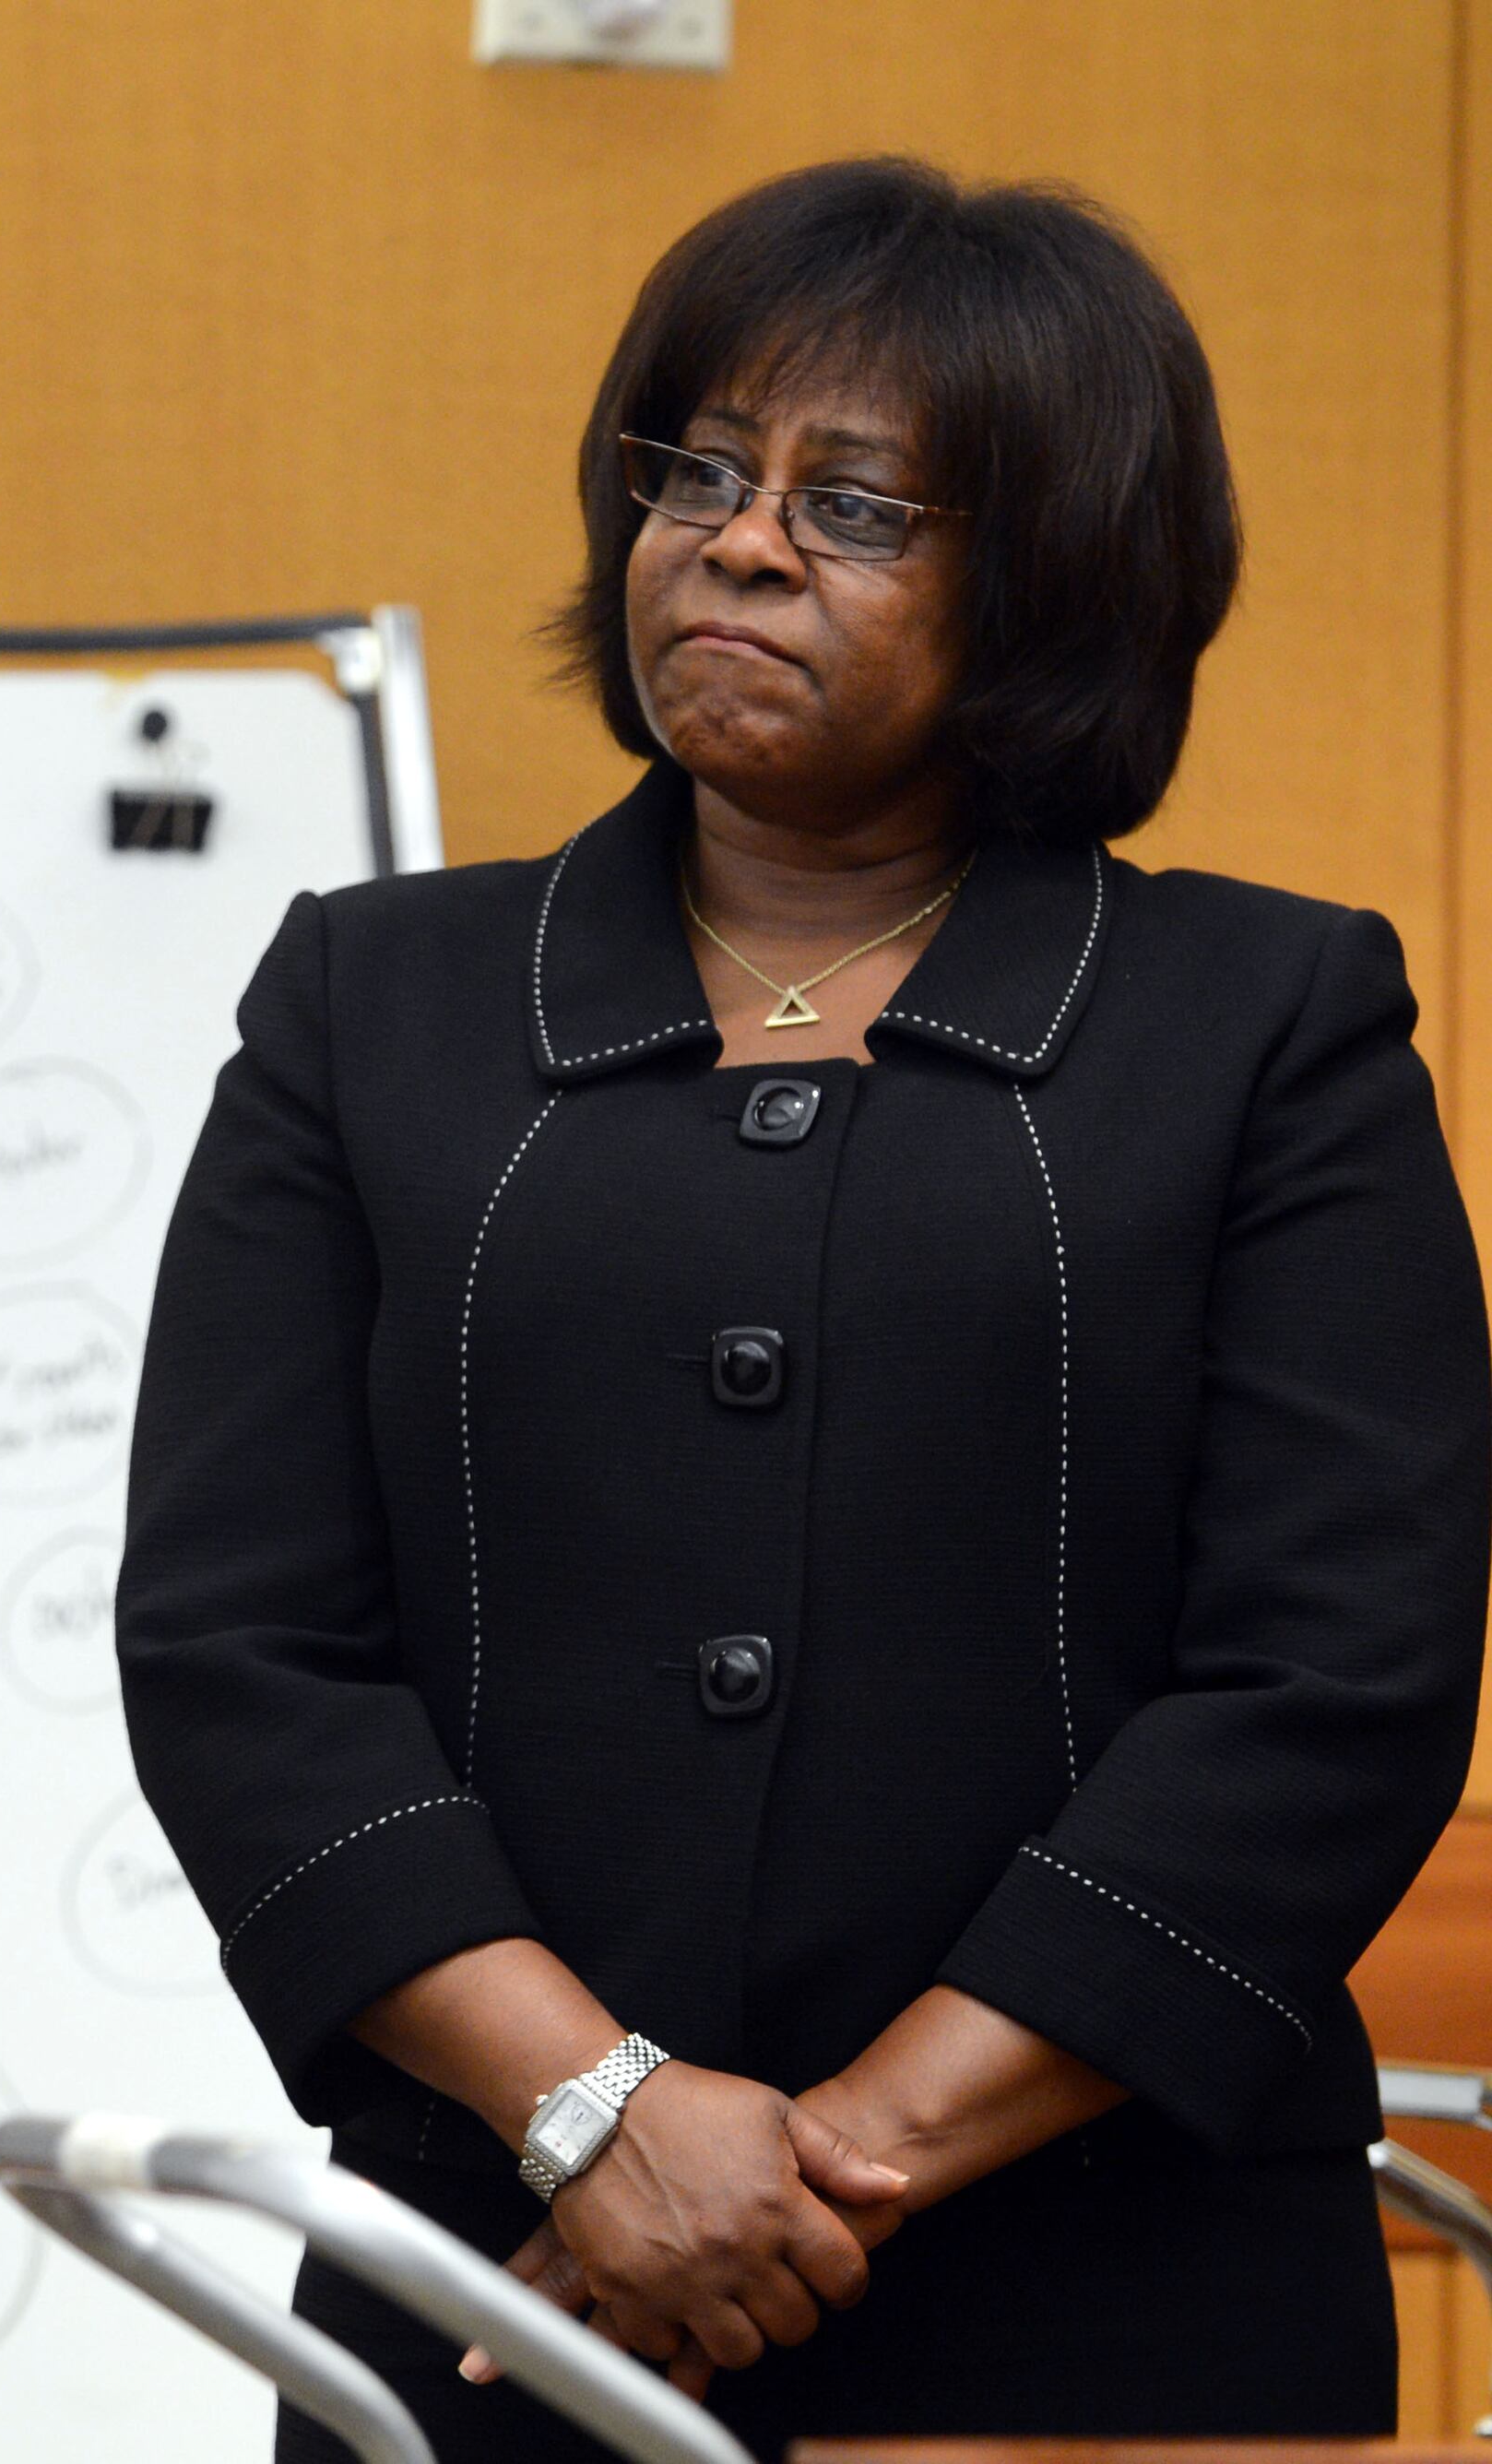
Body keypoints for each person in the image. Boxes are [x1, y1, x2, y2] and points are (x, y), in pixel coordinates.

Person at [119, 155, 1490, 2455]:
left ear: (1056, 584)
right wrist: (593, 2113)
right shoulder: (376, 1001)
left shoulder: (1271, 1021)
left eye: (856, 508)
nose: (738, 542)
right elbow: (243, 1646)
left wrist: (820, 2157)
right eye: (700, 470)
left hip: (1120, 2305)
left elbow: (1333, 1684)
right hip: (497, 2295)